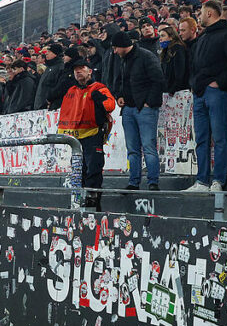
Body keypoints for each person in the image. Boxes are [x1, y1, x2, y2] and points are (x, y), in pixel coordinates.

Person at [185, 0, 227, 192]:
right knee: (201, 139)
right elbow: (194, 66)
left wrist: (219, 82)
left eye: (201, 13)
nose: (199, 17)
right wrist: (194, 84)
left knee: (219, 137)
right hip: (200, 92)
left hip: (217, 93)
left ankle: (218, 180)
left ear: (209, 13)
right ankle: (202, 181)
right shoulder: (202, 38)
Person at [57, 59, 116, 210]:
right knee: (78, 168)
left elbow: (110, 105)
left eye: (81, 68)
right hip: (76, 137)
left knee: (93, 167)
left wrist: (100, 100)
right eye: (75, 70)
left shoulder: (99, 88)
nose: (77, 72)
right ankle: (79, 199)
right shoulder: (71, 90)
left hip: (93, 134)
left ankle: (93, 199)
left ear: (90, 71)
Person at [111, 31, 166, 191]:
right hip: (128, 109)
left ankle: (153, 182)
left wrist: (149, 102)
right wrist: (119, 96)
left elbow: (158, 80)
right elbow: (120, 82)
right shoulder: (123, 60)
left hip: (145, 109)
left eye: (115, 48)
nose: (114, 51)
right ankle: (133, 182)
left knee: (148, 147)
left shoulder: (146, 56)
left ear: (123, 45)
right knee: (132, 149)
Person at [34, 43, 66, 110]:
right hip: (41, 106)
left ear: (55, 53)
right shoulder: (49, 67)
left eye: (49, 51)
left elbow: (59, 88)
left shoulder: (60, 68)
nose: (46, 53)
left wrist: (50, 101)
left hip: (50, 107)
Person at [158, 25, 189, 94]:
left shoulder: (178, 49)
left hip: (179, 91)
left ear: (171, 37)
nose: (160, 39)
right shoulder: (165, 51)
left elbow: (180, 72)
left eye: (163, 36)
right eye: (160, 36)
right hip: (169, 91)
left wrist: (172, 89)